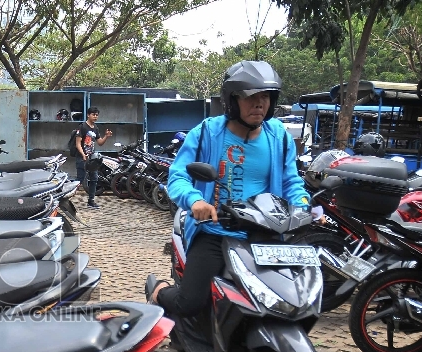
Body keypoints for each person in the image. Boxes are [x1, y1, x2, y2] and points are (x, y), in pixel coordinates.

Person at [147, 60, 310, 317]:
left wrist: (303, 205)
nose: (259, 103)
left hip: (263, 233)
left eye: (266, 96)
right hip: (215, 229)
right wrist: (195, 201)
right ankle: (158, 292)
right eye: (250, 97)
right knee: (189, 303)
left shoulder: (278, 136)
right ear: (232, 100)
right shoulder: (206, 133)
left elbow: (291, 182)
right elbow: (177, 176)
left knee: (289, 299)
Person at [74, 107, 112, 209]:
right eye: (93, 114)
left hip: (92, 158)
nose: (95, 116)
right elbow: (78, 144)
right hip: (82, 157)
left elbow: (99, 143)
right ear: (88, 115)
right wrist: (83, 155)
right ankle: (66, 198)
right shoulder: (82, 127)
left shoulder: (95, 128)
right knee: (79, 180)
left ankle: (91, 201)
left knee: (94, 179)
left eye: (96, 115)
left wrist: (106, 137)